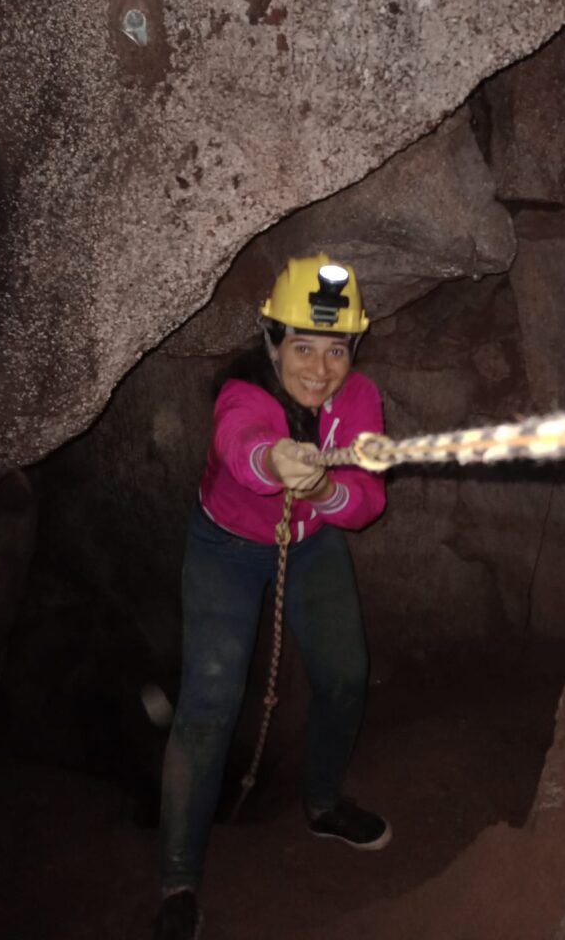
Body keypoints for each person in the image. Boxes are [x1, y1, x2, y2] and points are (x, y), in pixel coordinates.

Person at [154, 254, 389, 940]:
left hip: (310, 544)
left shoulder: (359, 402)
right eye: (303, 347)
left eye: (336, 349)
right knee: (207, 705)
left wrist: (325, 491)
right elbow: (240, 443)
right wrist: (275, 461)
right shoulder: (244, 392)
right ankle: (178, 881)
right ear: (271, 341)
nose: (319, 369)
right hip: (224, 550)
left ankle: (320, 805)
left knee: (345, 676)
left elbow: (367, 501)